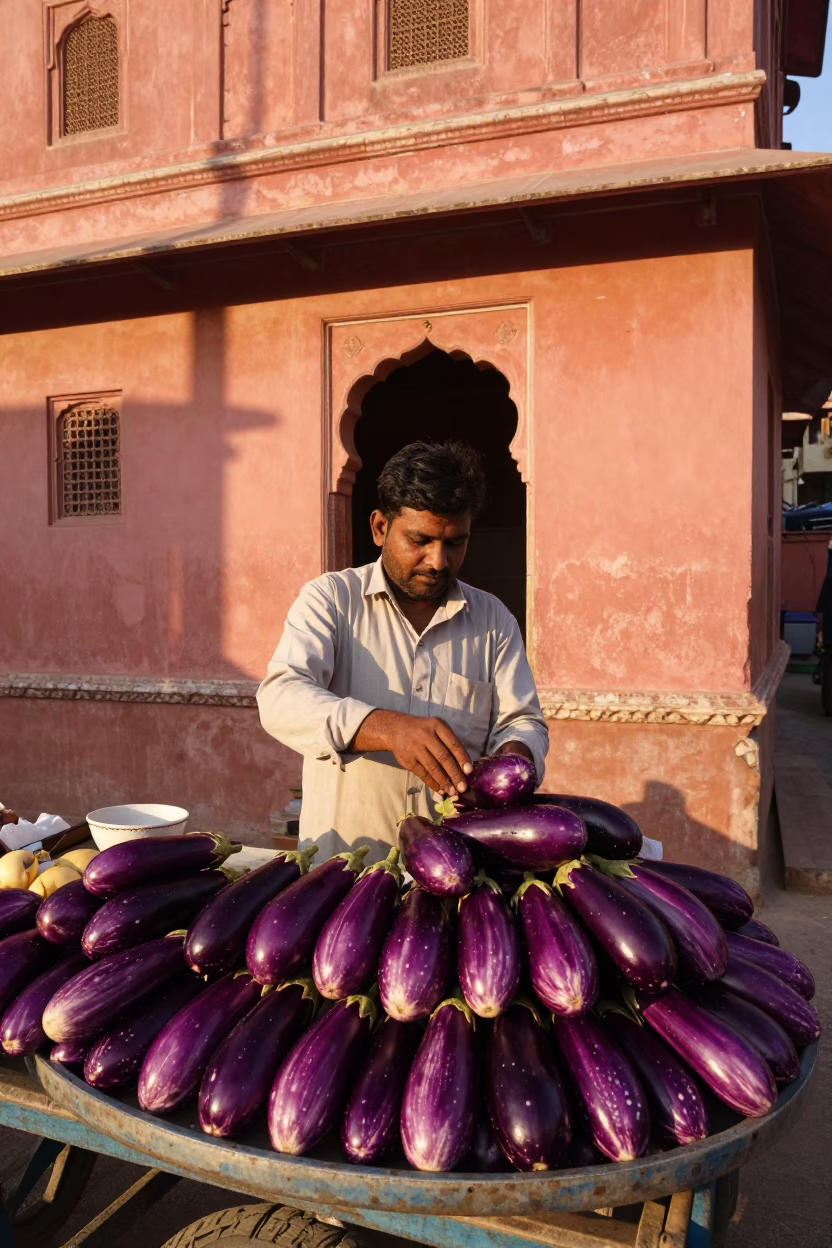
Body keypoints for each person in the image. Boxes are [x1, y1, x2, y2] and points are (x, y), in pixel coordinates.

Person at [257, 441, 549, 862]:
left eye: (455, 543)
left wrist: (514, 759)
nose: (438, 561)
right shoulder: (331, 600)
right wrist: (386, 728)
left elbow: (522, 721)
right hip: (343, 874)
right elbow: (280, 698)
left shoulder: (493, 621)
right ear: (380, 528)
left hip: (455, 875)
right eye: (420, 540)